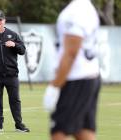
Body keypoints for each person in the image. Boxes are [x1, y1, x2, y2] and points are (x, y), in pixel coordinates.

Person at [43, 0, 101, 140]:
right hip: (89, 75)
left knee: (58, 132)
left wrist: (55, 87)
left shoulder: (74, 12)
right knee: (83, 131)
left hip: (76, 79)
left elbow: (71, 53)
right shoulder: (86, 7)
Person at [0, 10, 30, 132]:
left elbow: (23, 50)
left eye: (0, 20)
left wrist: (14, 44)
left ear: (4, 21)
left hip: (11, 74)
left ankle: (18, 124)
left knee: (15, 100)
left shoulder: (13, 35)